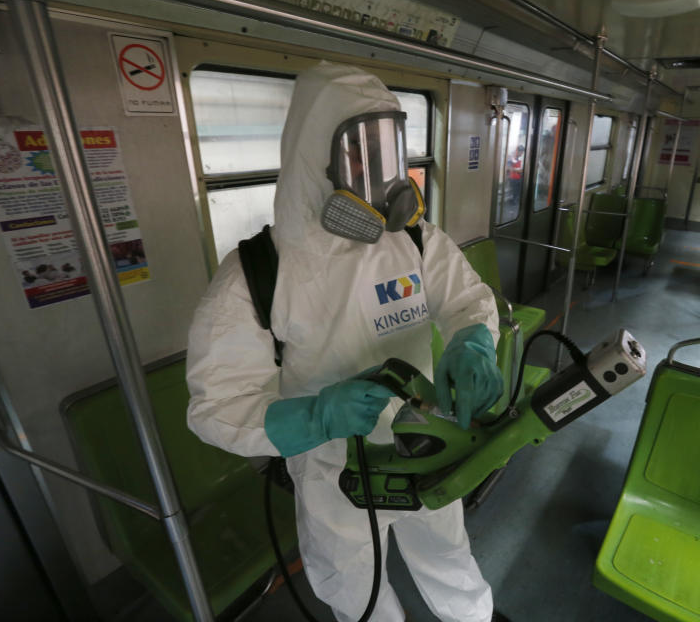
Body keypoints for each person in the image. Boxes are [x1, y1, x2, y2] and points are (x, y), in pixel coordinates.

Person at [185, 61, 506, 622]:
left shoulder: (413, 239)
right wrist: (314, 417)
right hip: (337, 472)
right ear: (317, 157)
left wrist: (473, 341)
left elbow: (465, 300)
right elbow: (215, 405)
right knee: (357, 588)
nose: (379, 171)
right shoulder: (258, 273)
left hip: (427, 439)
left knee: (449, 554)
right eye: (360, 152)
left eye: (387, 150)